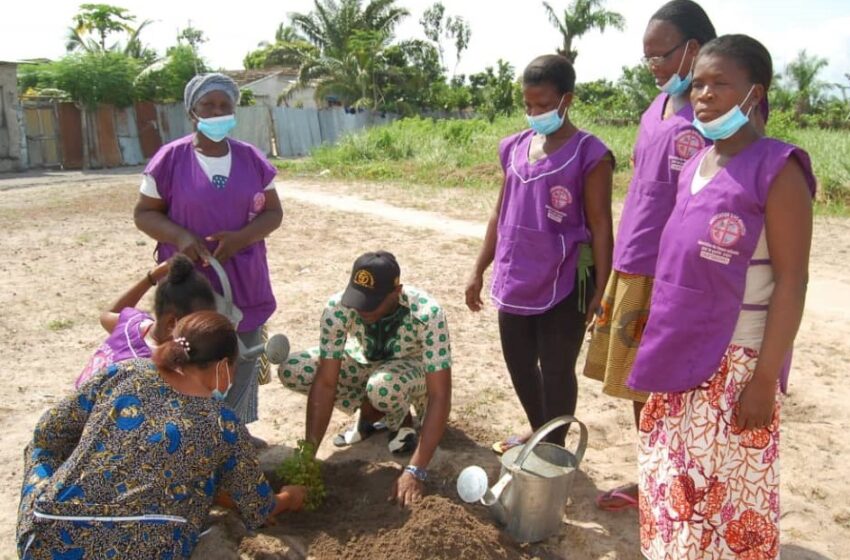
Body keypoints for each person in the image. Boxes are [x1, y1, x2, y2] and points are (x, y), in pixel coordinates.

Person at [630, 34, 815, 559]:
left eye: (720, 84)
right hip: (678, 358)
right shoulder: (696, 165)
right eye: (700, 83)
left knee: (729, 506)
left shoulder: (778, 169)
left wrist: (763, 380)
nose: (704, 95)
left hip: (735, 366)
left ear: (754, 94)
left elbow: (792, 282)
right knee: (675, 490)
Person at [17, 311, 307, 559]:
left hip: (46, 539)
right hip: (144, 549)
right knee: (201, 480)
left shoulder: (124, 372)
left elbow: (48, 432)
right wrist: (289, 497)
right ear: (222, 366)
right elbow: (258, 508)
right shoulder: (223, 423)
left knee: (40, 450)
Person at [583, 0, 716, 511]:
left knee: (675, 385)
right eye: (648, 59)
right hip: (635, 262)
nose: (655, 67)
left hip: (676, 271)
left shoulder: (712, 118)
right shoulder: (654, 109)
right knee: (640, 385)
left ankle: (678, 484)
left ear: (694, 50)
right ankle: (654, 478)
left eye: (661, 55)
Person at [465, 54, 613, 451]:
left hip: (565, 277)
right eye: (528, 105)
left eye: (543, 105)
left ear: (567, 100)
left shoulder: (590, 154)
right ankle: (540, 428)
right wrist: (479, 267)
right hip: (515, 273)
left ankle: (553, 446)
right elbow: (501, 209)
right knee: (519, 363)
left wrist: (602, 286)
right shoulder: (514, 147)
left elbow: (601, 224)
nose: (534, 113)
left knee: (557, 367)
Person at [133, 73, 283, 443]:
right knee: (190, 353)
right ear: (192, 112)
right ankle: (190, 437)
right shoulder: (170, 159)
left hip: (243, 276)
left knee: (242, 353)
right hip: (190, 284)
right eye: (208, 106)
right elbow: (144, 214)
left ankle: (233, 432)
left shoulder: (252, 159)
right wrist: (182, 236)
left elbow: (273, 213)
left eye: (225, 106)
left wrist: (241, 238)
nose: (217, 112)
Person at [279, 251, 452, 507]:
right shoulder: (338, 309)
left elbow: (441, 394)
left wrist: (415, 470)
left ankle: (399, 416)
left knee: (384, 387)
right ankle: (371, 413)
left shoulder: (427, 313)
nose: (361, 309)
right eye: (357, 299)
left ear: (396, 292)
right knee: (293, 367)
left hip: (411, 372)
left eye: (371, 303)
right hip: (364, 363)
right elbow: (326, 383)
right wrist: (307, 460)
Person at [75, 254, 216, 388]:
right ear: (171, 323)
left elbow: (107, 315)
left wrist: (152, 277)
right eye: (199, 328)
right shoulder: (151, 372)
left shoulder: (133, 324)